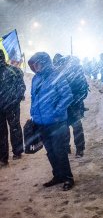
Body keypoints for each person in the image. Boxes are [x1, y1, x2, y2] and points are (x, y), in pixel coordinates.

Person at [28, 52, 74, 191]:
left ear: (44, 63)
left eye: (38, 63)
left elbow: (67, 96)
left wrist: (56, 112)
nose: (35, 66)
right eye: (33, 64)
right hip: (41, 123)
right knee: (50, 151)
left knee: (59, 151)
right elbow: (34, 98)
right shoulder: (35, 79)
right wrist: (33, 114)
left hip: (56, 122)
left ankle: (68, 177)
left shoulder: (56, 76)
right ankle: (58, 175)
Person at [53, 54, 89, 157]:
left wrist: (74, 100)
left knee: (74, 126)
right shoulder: (59, 73)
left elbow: (82, 89)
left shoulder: (71, 72)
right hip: (66, 105)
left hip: (73, 104)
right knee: (66, 127)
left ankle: (79, 149)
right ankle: (69, 148)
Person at [0, 51, 26, 166]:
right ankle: (15, 152)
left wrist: (15, 99)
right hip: (11, 106)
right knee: (12, 129)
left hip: (9, 105)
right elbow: (21, 87)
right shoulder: (14, 70)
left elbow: (21, 87)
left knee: (4, 131)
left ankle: (4, 157)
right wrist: (16, 99)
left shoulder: (14, 71)